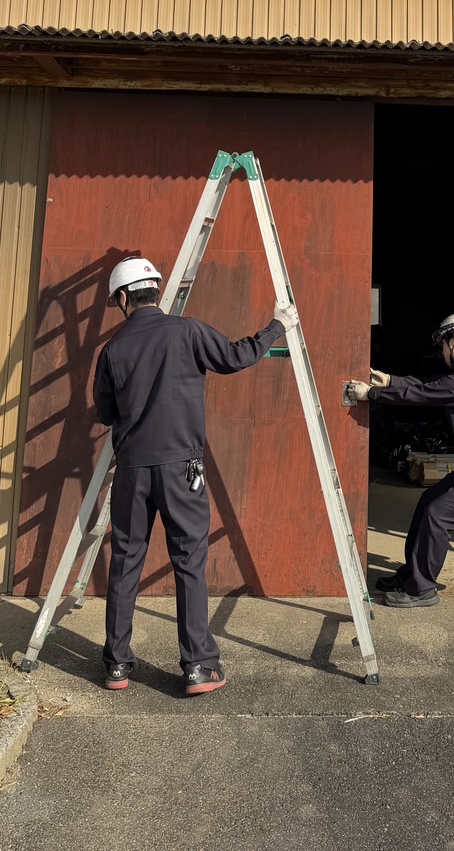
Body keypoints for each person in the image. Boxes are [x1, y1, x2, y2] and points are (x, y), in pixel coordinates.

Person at [93, 255, 298, 693]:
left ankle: (116, 665)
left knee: (125, 562)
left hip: (132, 470)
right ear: (156, 289)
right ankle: (199, 667)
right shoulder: (187, 331)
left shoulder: (112, 350)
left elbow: (105, 413)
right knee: (188, 561)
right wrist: (277, 326)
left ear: (124, 298)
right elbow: (237, 356)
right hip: (181, 469)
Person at [346, 311, 454, 608]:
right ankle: (410, 576)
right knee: (429, 501)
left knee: (437, 514)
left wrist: (373, 393)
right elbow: (430, 385)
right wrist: (389, 380)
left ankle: (422, 589)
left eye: (442, 343)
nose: (441, 350)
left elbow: (423, 394)